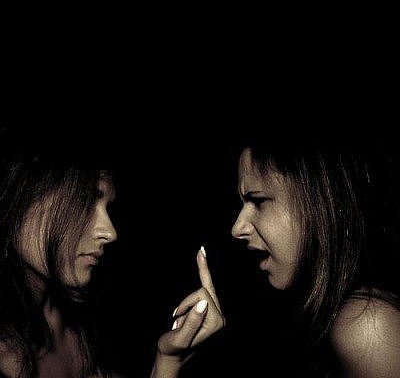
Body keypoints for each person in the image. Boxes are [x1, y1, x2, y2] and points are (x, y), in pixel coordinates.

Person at [150, 132, 400, 377]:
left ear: (320, 200)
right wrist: (168, 360)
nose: (237, 228)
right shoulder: (317, 313)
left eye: (258, 201)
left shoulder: (367, 325)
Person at [0, 129, 124, 377]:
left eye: (106, 207)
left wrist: (168, 360)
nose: (110, 232)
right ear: (20, 195)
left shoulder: (81, 323)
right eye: (85, 201)